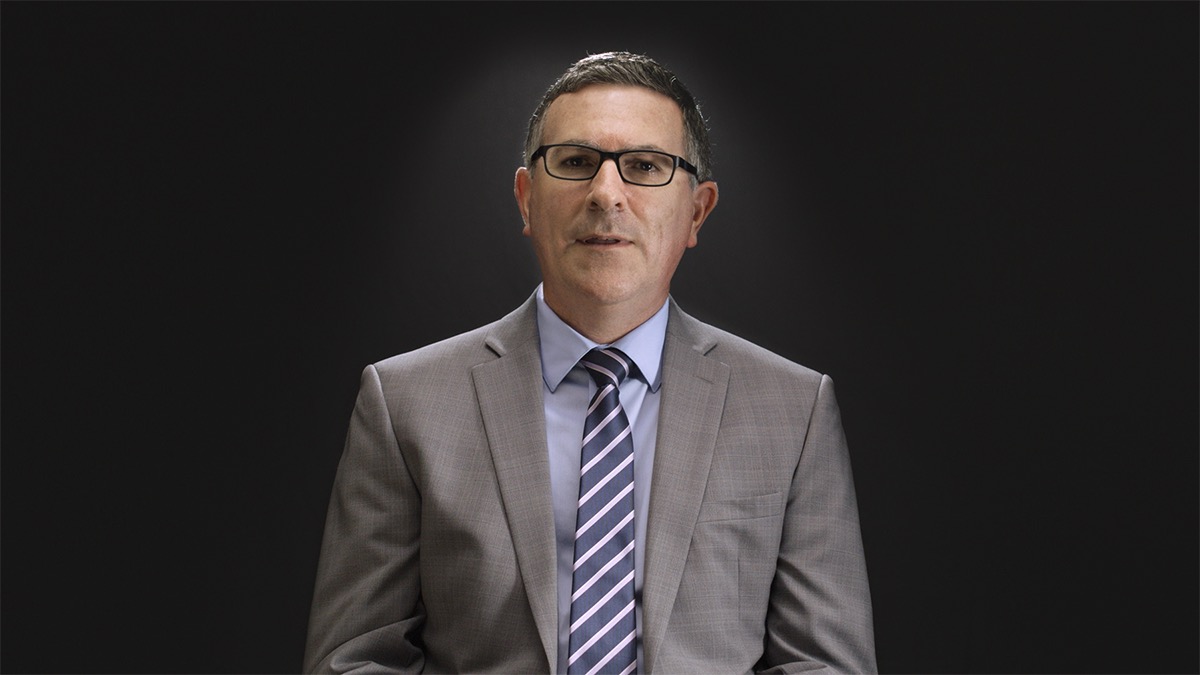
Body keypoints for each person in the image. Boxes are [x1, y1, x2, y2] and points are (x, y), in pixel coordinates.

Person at [303, 51, 876, 674]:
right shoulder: (404, 404)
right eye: (576, 162)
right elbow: (353, 661)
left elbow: (826, 666)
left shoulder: (793, 412)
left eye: (645, 166)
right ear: (526, 199)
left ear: (697, 211)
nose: (606, 194)